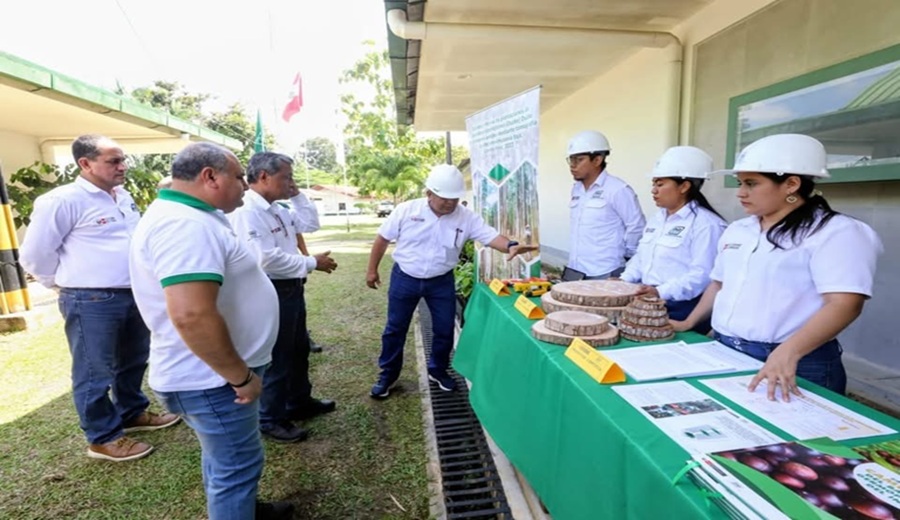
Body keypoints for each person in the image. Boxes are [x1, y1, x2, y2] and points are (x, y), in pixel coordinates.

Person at [129, 143, 292, 519]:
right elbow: (192, 315)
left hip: (214, 377)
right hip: (214, 380)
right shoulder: (183, 225)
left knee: (227, 461)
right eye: (238, 178)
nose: (245, 186)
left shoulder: (192, 216)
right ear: (209, 177)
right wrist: (241, 376)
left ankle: (244, 508)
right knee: (237, 466)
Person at [672, 134, 882, 401]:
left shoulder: (836, 232)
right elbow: (719, 284)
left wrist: (789, 351)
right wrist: (689, 323)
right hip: (725, 349)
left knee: (794, 442)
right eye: (740, 183)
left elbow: (844, 303)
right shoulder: (739, 230)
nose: (740, 192)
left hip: (796, 362)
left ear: (791, 184)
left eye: (752, 183)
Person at [20, 134, 179, 462]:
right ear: (85, 163)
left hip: (132, 293)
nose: (122, 167)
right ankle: (102, 437)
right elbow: (34, 255)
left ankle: (132, 412)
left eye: (123, 160)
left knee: (133, 360)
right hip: (90, 299)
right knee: (94, 371)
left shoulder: (122, 196)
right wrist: (63, 285)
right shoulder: (62, 200)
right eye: (113, 161)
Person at [366, 164, 537, 398]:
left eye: (454, 198)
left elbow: (489, 236)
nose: (449, 203)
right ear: (429, 193)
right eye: (444, 198)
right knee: (395, 328)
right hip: (405, 277)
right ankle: (388, 374)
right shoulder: (407, 210)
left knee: (445, 328)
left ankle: (437, 370)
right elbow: (382, 239)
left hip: (441, 281)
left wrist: (510, 245)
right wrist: (371, 270)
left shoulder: (465, 217)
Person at [229, 152, 337, 443]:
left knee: (298, 348)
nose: (291, 182)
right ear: (263, 176)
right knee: (277, 356)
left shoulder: (275, 207)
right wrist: (312, 262)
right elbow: (264, 259)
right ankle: (271, 418)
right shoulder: (248, 211)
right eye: (286, 177)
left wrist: (297, 193)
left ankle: (299, 401)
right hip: (270, 290)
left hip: (291, 289)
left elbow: (310, 223)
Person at [620, 146, 726, 330]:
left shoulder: (707, 224)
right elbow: (641, 257)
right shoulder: (658, 218)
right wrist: (625, 281)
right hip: (647, 300)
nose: (653, 190)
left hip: (681, 308)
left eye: (660, 184)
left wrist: (659, 291)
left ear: (684, 186)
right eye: (653, 184)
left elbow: (702, 275)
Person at [565, 130, 645, 279]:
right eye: (571, 160)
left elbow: (636, 227)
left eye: (579, 160)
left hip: (605, 272)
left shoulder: (618, 189)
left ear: (597, 160)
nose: (573, 165)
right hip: (576, 270)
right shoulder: (577, 189)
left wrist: (626, 260)